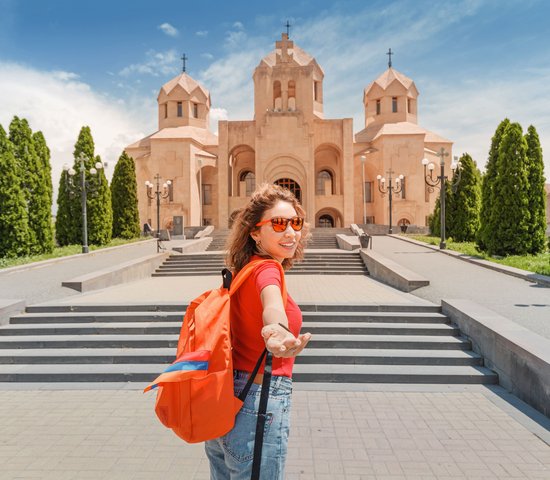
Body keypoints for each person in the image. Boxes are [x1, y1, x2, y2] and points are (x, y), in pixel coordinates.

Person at [205, 183, 312, 479]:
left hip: (226, 399)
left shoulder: (243, 271)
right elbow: (272, 303)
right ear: (255, 232)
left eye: (296, 222)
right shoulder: (267, 270)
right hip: (257, 399)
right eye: (278, 223)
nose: (290, 232)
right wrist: (276, 330)